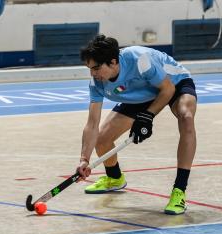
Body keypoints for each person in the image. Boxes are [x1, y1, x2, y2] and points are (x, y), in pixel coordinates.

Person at [76, 34, 197, 215]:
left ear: (113, 62)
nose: (92, 74)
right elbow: (92, 123)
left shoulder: (139, 59)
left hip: (173, 83)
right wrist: (84, 159)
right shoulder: (97, 82)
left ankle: (179, 191)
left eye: (96, 68)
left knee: (186, 118)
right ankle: (115, 178)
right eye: (89, 69)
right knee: (102, 139)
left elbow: (167, 90)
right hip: (141, 94)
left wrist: (147, 116)